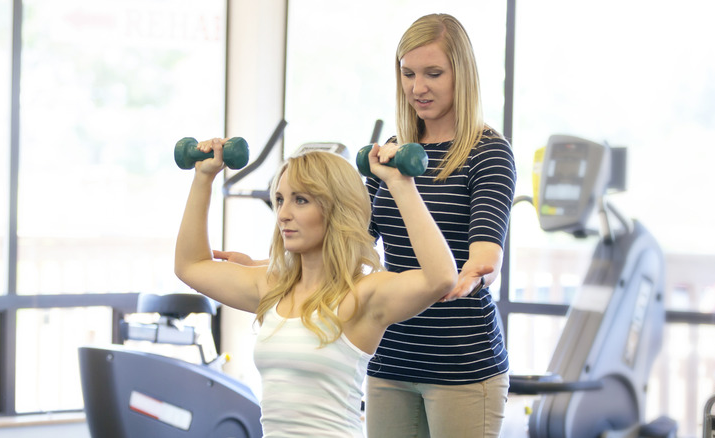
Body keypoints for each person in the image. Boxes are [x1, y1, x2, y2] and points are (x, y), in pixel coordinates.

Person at [174, 141, 482, 437]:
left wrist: (401, 185)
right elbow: (191, 266)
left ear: (336, 209)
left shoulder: (362, 295)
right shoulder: (272, 288)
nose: (283, 214)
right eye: (280, 199)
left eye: (301, 200)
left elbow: (440, 278)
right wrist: (204, 178)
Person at [362, 13, 517, 438]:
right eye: (408, 74)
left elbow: (486, 253)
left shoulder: (487, 152)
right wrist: (273, 263)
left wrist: (469, 277)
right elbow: (352, 244)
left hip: (461, 363)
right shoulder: (392, 155)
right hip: (389, 356)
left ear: (460, 74)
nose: (418, 87)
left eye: (433, 73)